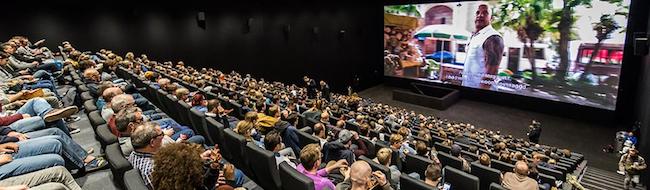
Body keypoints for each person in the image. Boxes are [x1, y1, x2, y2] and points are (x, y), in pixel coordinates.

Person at [461, 4, 504, 90]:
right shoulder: (475, 36)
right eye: (478, 13)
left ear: (491, 18)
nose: (480, 15)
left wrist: (480, 96)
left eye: (485, 13)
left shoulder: (493, 37)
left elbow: (491, 73)